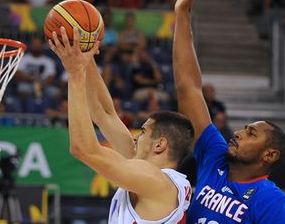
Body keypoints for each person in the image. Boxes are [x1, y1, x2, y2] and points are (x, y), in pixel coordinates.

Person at [172, 0, 285, 223]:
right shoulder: (215, 154)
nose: (238, 133)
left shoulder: (270, 199)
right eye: (244, 129)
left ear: (269, 155)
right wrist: (182, 15)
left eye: (251, 134)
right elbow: (189, 89)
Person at [48, 27, 193, 223]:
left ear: (160, 144)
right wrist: (85, 56)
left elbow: (83, 149)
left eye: (142, 132)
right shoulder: (143, 170)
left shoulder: (158, 182)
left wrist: (75, 74)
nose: (134, 137)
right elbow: (103, 112)